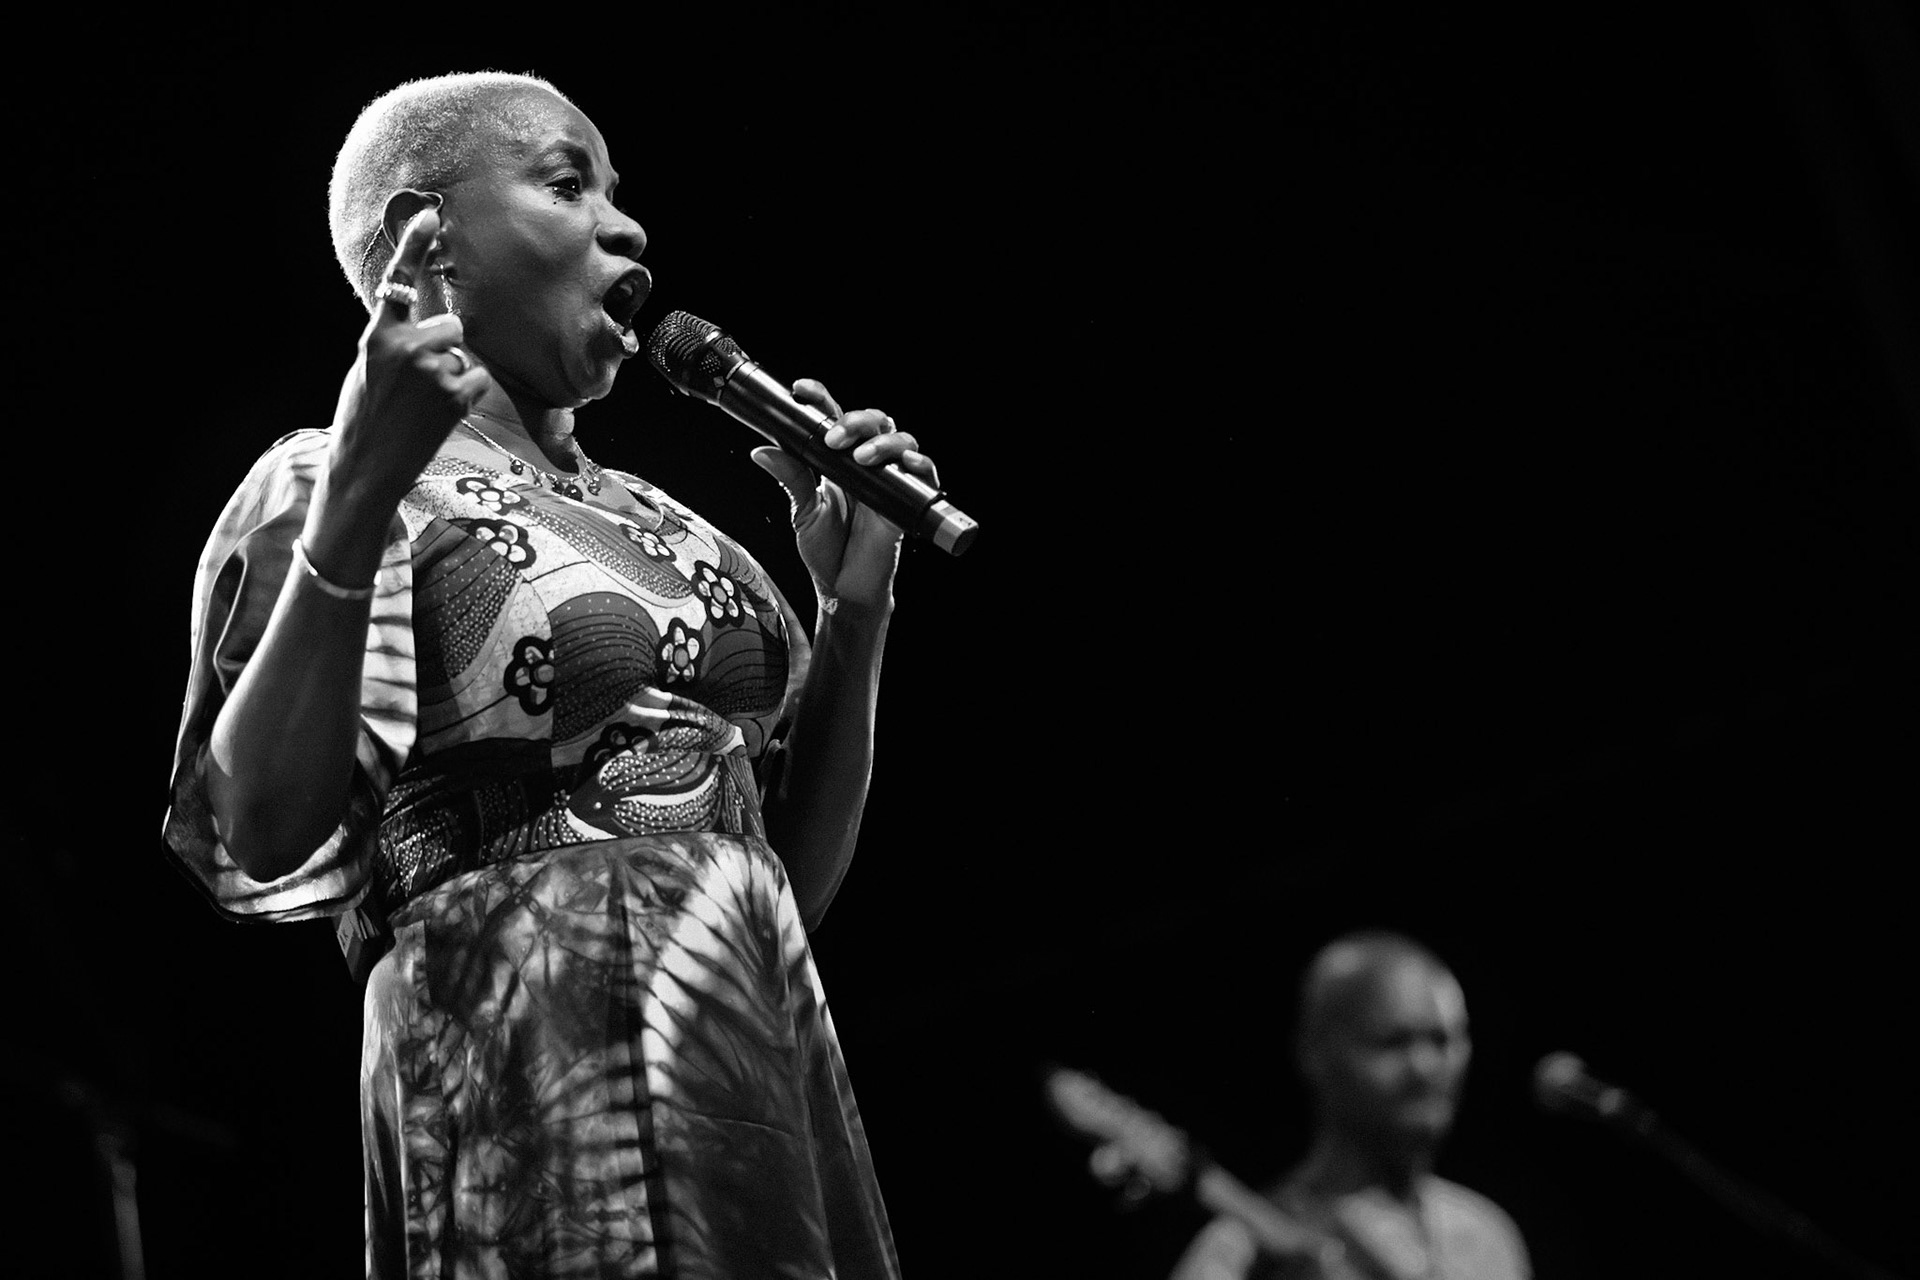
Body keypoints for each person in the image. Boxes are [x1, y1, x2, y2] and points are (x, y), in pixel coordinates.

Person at [161, 70, 931, 1278]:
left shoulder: (668, 522)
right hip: (523, 1047)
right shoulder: (330, 482)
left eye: (617, 194)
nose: (625, 227)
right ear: (431, 237)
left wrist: (856, 604)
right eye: (569, 183)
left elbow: (788, 877)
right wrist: (364, 484)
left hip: (744, 1046)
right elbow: (262, 823)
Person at [1169, 932, 1530, 1280]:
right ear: (1314, 1053)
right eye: (1392, 1042)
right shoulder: (1244, 1253)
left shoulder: (1485, 1235)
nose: (1426, 1068)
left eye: (1443, 1040)